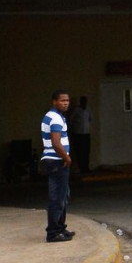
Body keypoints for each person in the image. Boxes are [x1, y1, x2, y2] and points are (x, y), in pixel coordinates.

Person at [42, 91, 75, 243]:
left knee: (63, 196)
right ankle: (53, 232)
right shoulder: (55, 117)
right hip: (57, 161)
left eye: (67, 100)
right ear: (54, 101)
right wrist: (67, 158)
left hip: (57, 160)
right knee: (57, 197)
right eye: (62, 100)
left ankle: (61, 228)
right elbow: (56, 143)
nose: (66, 103)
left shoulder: (56, 116)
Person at [67, 95, 93, 175]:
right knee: (79, 151)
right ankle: (81, 168)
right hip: (78, 133)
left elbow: (90, 119)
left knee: (86, 151)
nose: (84, 103)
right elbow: (70, 120)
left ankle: (86, 167)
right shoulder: (76, 110)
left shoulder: (88, 110)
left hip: (86, 133)